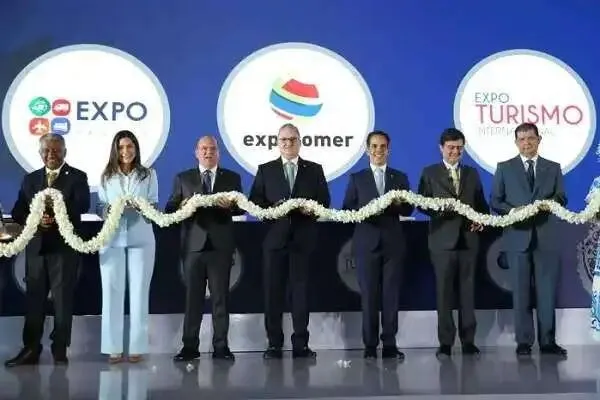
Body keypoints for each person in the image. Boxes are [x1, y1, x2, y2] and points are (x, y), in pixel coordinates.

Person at [5, 133, 90, 367]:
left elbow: (82, 205)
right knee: (34, 301)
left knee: (63, 301)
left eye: (56, 150)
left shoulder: (77, 177)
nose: (51, 154)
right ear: (40, 153)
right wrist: (35, 218)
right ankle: (30, 349)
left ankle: (60, 349)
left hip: (63, 249)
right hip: (36, 250)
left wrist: (56, 214)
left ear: (64, 152)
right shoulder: (30, 179)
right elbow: (18, 211)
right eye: (46, 150)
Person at [249, 123, 330, 359]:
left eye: (292, 139)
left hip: (303, 241)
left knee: (301, 293)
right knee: (272, 294)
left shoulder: (314, 170)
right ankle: (274, 344)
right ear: (277, 143)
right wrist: (273, 209)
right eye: (284, 140)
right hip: (274, 241)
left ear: (299, 142)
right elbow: (255, 202)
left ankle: (301, 344)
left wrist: (311, 210)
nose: (288, 144)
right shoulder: (266, 170)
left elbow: (324, 201)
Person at [490, 122, 567, 357]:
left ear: (539, 139)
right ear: (516, 142)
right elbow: (496, 201)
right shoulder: (504, 167)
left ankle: (548, 342)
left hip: (546, 237)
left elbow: (561, 197)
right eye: (522, 139)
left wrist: (548, 204)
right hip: (517, 238)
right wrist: (514, 211)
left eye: (531, 138)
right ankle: (523, 342)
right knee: (521, 292)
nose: (527, 143)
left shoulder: (553, 168)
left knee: (547, 293)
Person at [166, 136, 244, 362]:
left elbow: (242, 208)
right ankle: (189, 347)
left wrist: (232, 206)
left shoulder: (232, 178)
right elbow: (170, 208)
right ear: (196, 152)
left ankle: (221, 346)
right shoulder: (183, 178)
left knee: (221, 299)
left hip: (221, 246)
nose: (208, 152)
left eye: (212, 149)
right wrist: (183, 206)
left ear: (218, 153)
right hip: (193, 247)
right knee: (193, 300)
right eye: (203, 149)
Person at [417, 128, 489, 359]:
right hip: (442, 240)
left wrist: (481, 220)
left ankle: (469, 341)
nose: (455, 151)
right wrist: (439, 209)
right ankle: (445, 343)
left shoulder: (472, 173)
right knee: (444, 294)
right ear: (441, 148)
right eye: (450, 147)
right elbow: (421, 203)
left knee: (468, 293)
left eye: (459, 148)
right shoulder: (429, 173)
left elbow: (481, 205)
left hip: (468, 240)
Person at [342, 130, 413, 360]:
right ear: (367, 150)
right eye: (374, 146)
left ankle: (390, 343)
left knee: (391, 296)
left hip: (393, 244)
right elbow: (347, 209)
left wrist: (397, 204)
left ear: (388, 149)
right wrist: (367, 210)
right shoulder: (357, 178)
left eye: (382, 146)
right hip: (366, 244)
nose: (378, 150)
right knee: (369, 297)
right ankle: (370, 346)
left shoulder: (399, 177)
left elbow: (409, 207)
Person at [97, 130, 158, 364]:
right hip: (111, 239)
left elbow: (154, 205)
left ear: (136, 148)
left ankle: (137, 347)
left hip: (141, 237)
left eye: (129, 146)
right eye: (121, 147)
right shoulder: (106, 176)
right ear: (115, 150)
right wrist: (111, 210)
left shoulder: (148, 174)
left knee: (140, 292)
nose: (125, 151)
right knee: (111, 292)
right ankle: (112, 347)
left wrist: (141, 207)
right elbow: (100, 207)